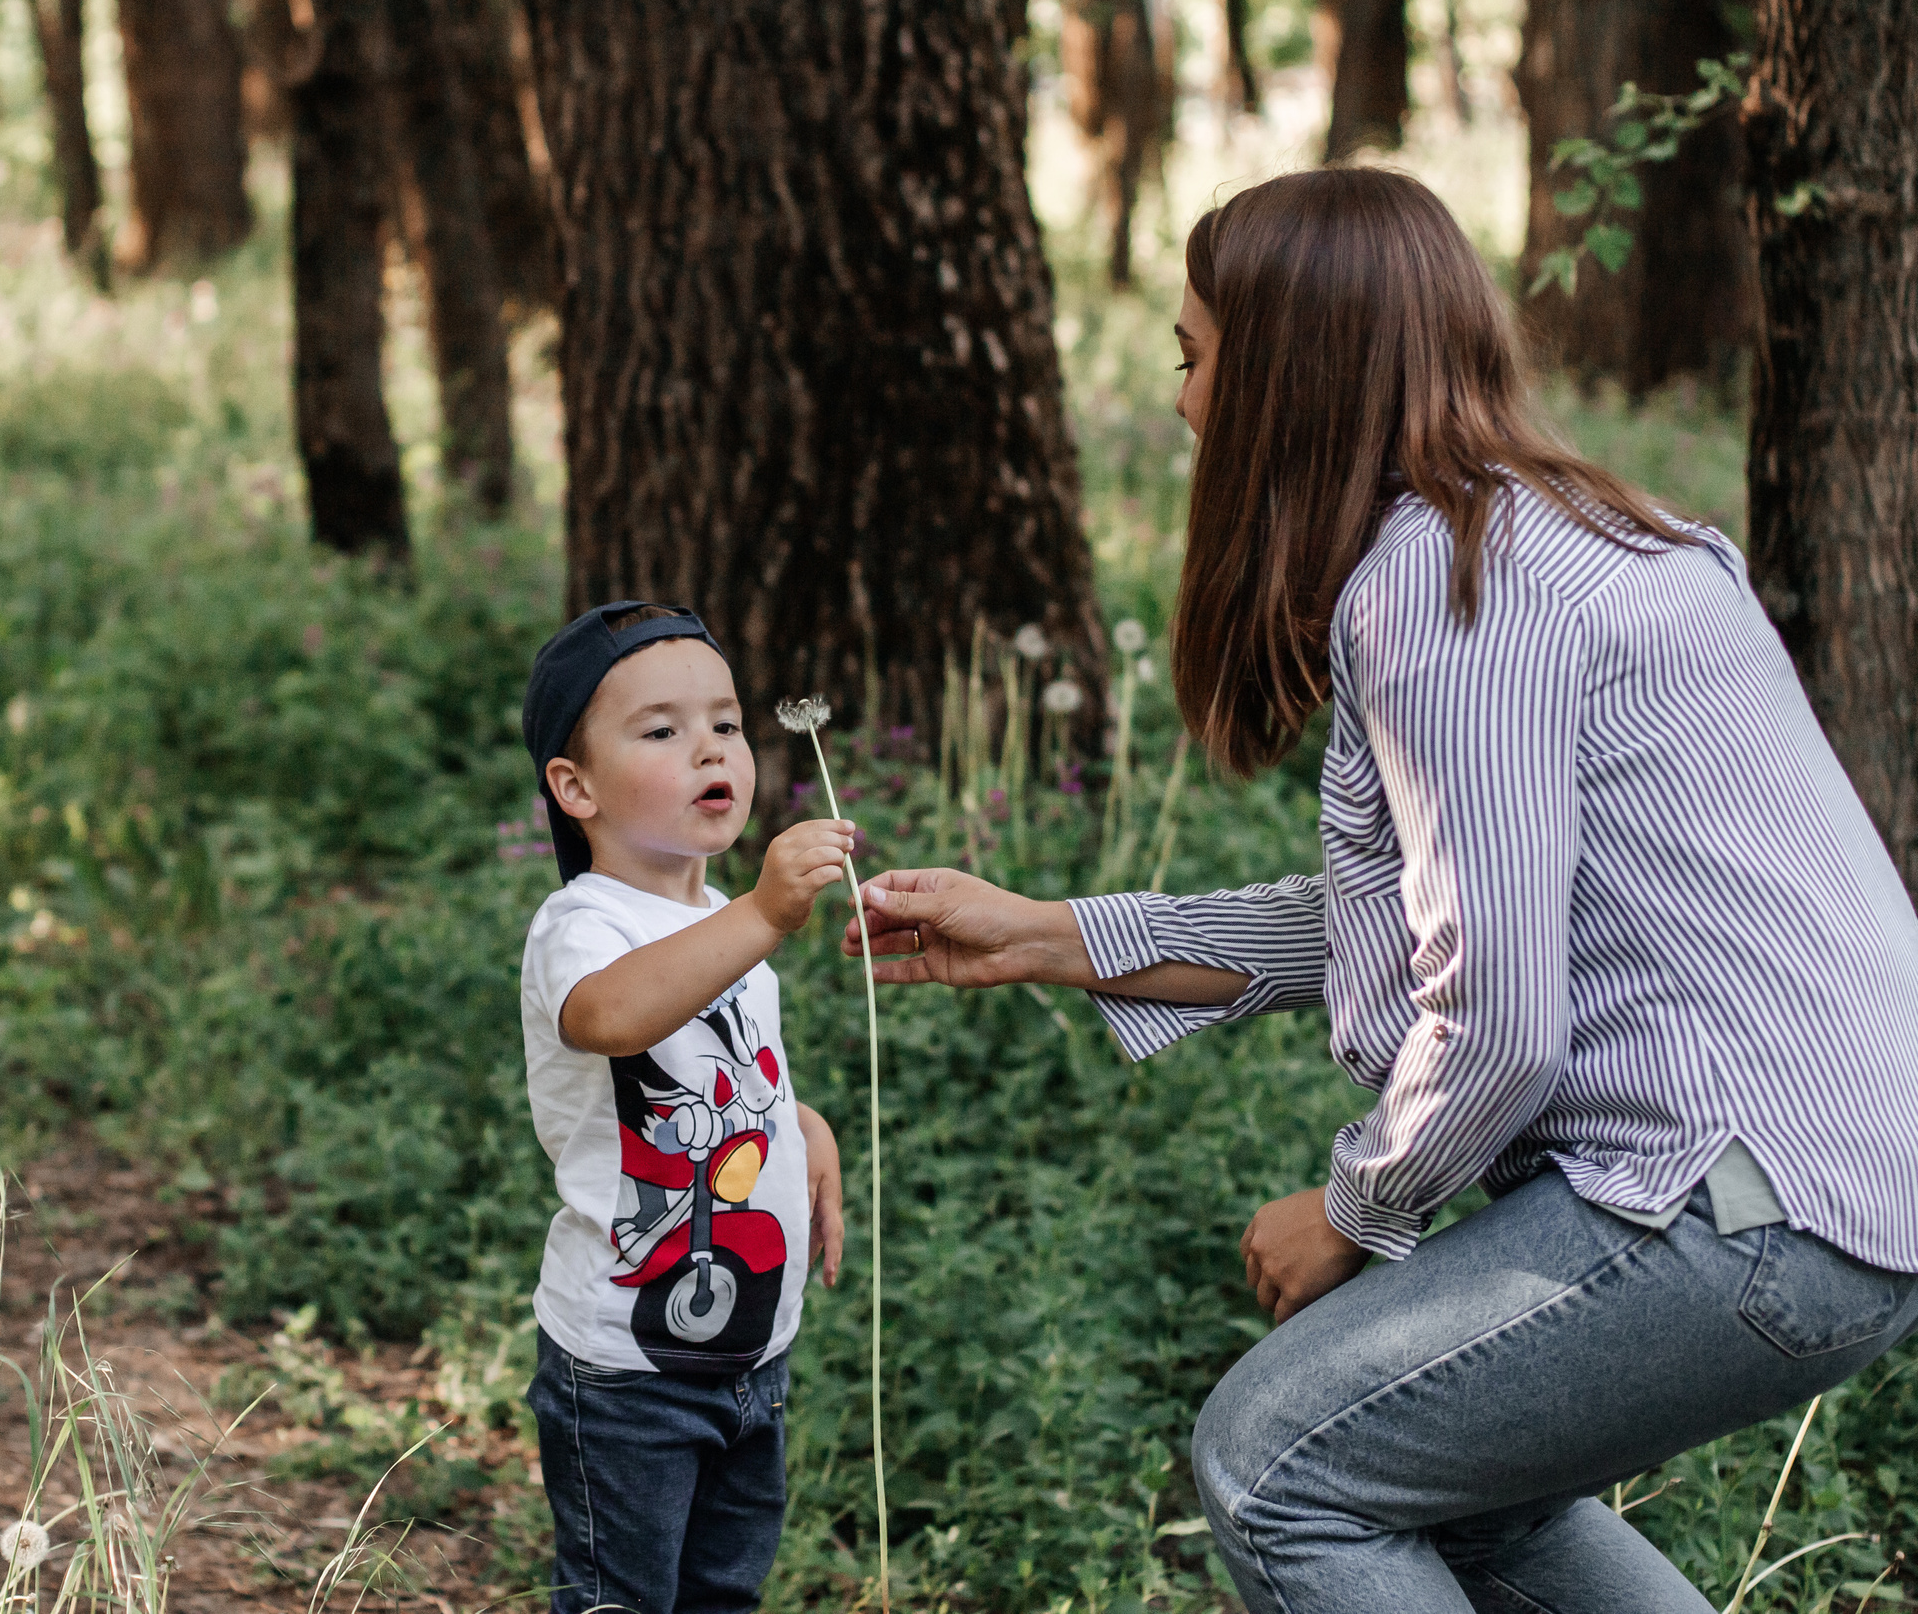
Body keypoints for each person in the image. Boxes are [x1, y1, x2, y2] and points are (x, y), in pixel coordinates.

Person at [845, 168, 1918, 1612]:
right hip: (1826, 1186)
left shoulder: (1443, 591)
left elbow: (1494, 1016)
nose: (1179, 399)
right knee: (1458, 1491)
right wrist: (1052, 935)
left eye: (1192, 353)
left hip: (1735, 1196)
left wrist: (1359, 1203)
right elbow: (1437, 921)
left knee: (1277, 1459)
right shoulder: (1562, 533)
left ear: (1287, 371)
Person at [517, 600, 852, 1614]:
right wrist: (761, 912)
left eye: (725, 722)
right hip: (624, 1371)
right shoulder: (582, 926)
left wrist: (800, 1126)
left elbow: (732, 1067)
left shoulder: (716, 922)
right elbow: (614, 1017)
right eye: (661, 730)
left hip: (754, 1354)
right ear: (576, 788)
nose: (709, 746)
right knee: (625, 1599)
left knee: (722, 1591)